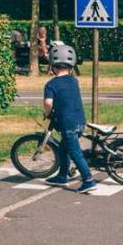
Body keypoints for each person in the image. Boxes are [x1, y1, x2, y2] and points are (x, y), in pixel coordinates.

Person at [43, 42, 98, 193]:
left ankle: (88, 180)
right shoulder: (74, 81)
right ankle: (62, 176)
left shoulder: (51, 85)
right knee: (63, 149)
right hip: (80, 121)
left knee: (75, 152)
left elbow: (48, 103)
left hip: (67, 124)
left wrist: (47, 113)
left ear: (53, 66)